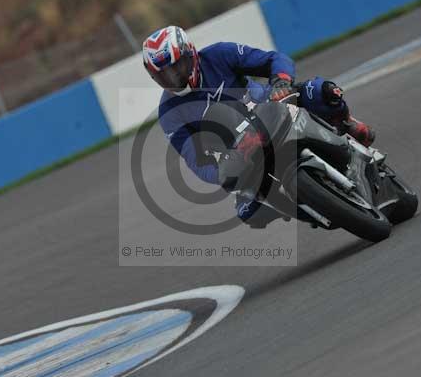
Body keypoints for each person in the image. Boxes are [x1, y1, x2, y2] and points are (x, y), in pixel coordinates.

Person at [143, 26, 375, 228]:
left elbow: (274, 59)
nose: (174, 77)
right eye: (164, 75)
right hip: (245, 149)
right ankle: (311, 208)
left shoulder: (219, 54)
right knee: (248, 211)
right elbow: (197, 162)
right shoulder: (169, 114)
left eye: (177, 68)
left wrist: (281, 82)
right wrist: (224, 171)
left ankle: (348, 124)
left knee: (323, 90)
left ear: (190, 54)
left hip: (272, 106)